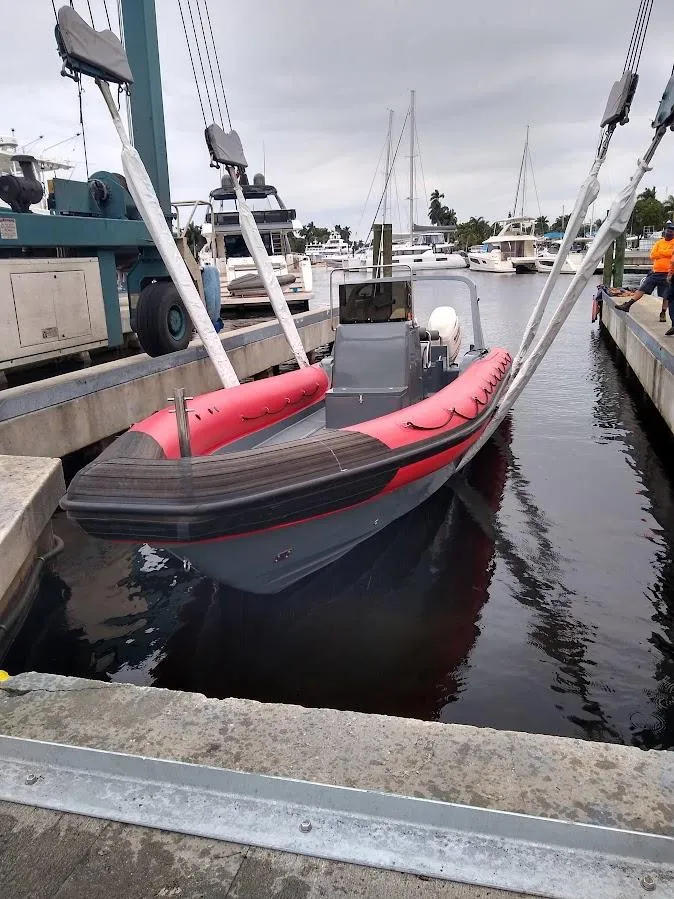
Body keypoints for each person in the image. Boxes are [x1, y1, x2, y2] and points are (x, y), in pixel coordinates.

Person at [615, 221, 674, 322]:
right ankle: (628, 305)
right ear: (665, 231)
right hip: (655, 272)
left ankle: (663, 312)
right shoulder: (659, 242)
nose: (670, 232)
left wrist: (661, 253)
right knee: (642, 288)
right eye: (669, 230)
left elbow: (670, 253)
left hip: (668, 273)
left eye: (672, 231)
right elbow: (653, 255)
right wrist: (665, 253)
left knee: (666, 295)